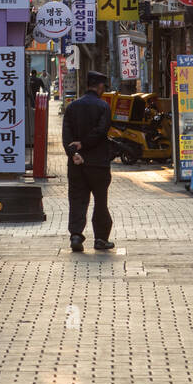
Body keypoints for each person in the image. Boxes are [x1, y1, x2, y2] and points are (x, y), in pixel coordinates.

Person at [61, 70, 115, 252]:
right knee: (100, 201)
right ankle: (100, 239)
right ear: (100, 87)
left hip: (77, 163)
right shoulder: (103, 107)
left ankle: (76, 236)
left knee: (77, 200)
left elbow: (66, 135)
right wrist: (84, 144)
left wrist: (72, 153)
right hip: (99, 164)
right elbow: (101, 131)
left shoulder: (72, 107)